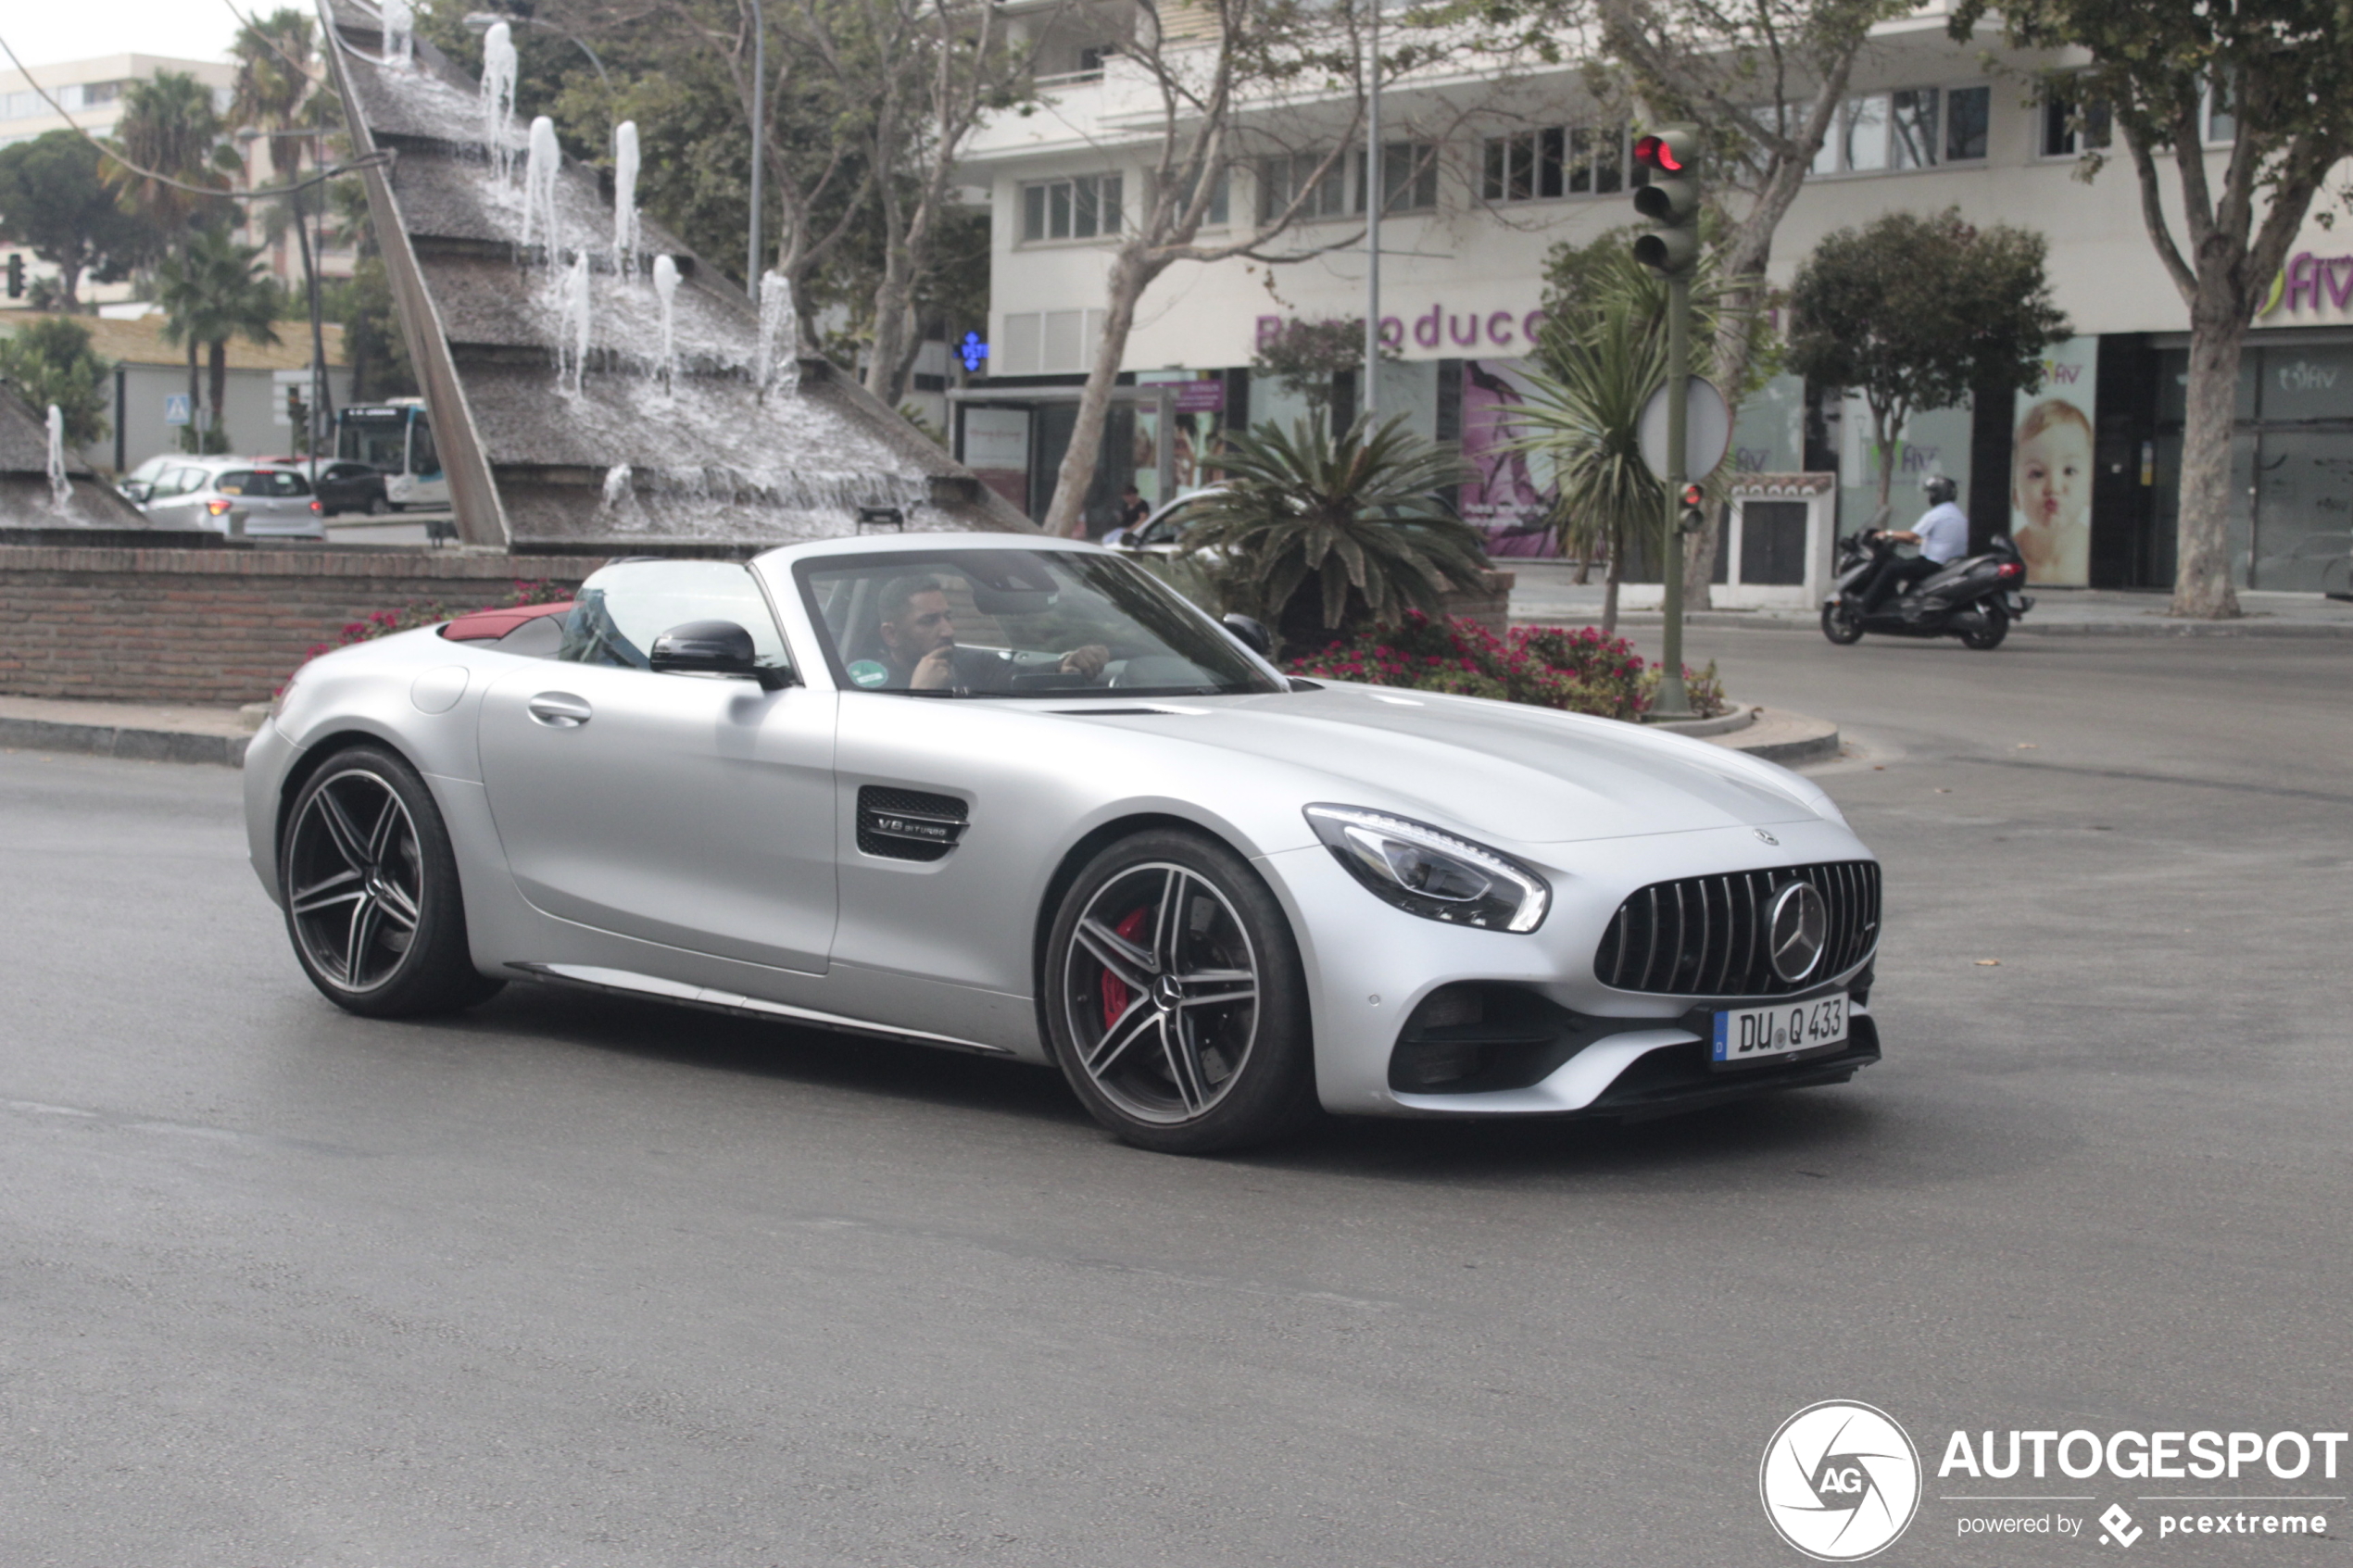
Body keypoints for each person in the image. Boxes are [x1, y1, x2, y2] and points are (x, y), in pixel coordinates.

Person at [873, 576, 1108, 692]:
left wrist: (1064, 666)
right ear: (891, 635)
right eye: (929, 621)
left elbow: (1021, 677)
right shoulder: (867, 685)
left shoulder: (970, 663)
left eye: (948, 616)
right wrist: (920, 694)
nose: (948, 630)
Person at [2010, 398, 2093, 584]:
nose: (2054, 487)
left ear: (2090, 487)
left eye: (2069, 471)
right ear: (2015, 491)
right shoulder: (2009, 557)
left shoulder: (2094, 556)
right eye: (2037, 474)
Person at [1859, 475, 1970, 612]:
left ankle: (1866, 605)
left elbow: (1911, 535)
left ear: (1938, 494)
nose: (1929, 497)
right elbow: (1940, 539)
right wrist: (1917, 542)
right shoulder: (1957, 514)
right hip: (1948, 562)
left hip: (1932, 564)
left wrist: (1887, 534)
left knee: (1891, 567)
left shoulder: (1936, 514)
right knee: (1903, 566)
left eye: (1931, 493)